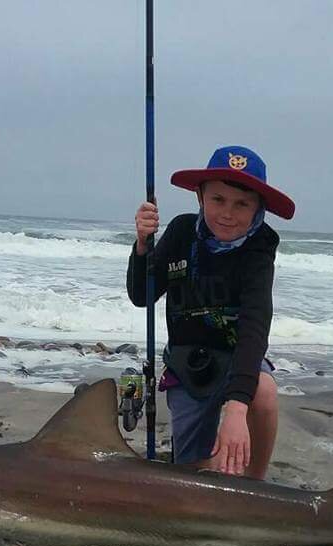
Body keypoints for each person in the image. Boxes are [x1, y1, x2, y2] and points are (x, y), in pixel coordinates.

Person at [126, 145, 295, 479]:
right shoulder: (181, 232)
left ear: (258, 208)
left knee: (264, 390)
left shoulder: (259, 248)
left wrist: (236, 407)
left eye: (242, 204)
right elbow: (141, 296)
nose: (228, 213)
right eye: (218, 199)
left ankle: (255, 484)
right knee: (189, 473)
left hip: (240, 360)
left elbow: (255, 328)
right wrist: (143, 246)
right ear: (200, 196)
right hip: (188, 363)